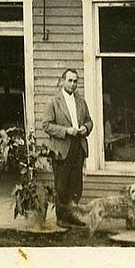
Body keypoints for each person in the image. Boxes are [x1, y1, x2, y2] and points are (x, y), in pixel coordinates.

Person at [42, 68, 93, 228]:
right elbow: (46, 125)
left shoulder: (80, 101)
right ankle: (62, 218)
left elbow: (89, 120)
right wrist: (66, 131)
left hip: (78, 146)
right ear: (63, 81)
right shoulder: (53, 102)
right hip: (61, 149)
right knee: (62, 185)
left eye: (75, 81)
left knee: (76, 184)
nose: (72, 84)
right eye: (70, 80)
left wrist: (86, 127)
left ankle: (73, 216)